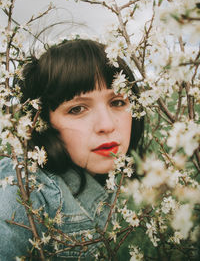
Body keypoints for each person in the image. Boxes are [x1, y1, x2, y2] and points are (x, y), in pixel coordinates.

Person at [0, 38, 144, 260]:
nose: (106, 125)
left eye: (117, 102)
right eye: (77, 109)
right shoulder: (23, 190)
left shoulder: (124, 181)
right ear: (43, 123)